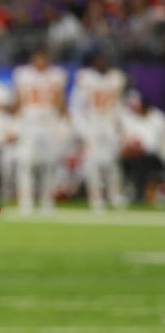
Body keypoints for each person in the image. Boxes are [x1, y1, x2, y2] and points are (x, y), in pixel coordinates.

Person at [11, 47, 69, 215]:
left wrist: (63, 119)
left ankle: (47, 199)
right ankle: (25, 200)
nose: (41, 61)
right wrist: (13, 121)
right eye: (38, 57)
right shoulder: (23, 74)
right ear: (33, 58)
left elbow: (60, 98)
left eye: (44, 58)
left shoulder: (56, 74)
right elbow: (18, 99)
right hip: (29, 123)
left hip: (48, 122)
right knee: (25, 162)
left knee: (50, 163)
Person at [69, 52, 127, 211]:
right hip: (92, 122)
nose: (102, 63)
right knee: (92, 163)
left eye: (105, 59)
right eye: (99, 60)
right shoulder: (85, 78)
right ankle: (96, 197)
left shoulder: (116, 77)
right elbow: (76, 105)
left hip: (109, 123)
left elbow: (119, 104)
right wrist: (81, 128)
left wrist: (121, 127)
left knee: (112, 162)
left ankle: (115, 195)